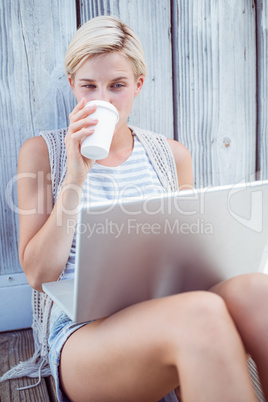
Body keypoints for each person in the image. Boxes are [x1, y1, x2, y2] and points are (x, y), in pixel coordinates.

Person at [3, 15, 268, 402]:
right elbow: (39, 273)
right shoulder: (43, 153)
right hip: (82, 334)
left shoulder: (171, 155)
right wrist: (75, 179)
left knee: (257, 291)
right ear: (73, 85)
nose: (102, 100)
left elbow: (190, 256)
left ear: (138, 86)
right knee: (201, 313)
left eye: (117, 86)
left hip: (163, 308)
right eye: (88, 86)